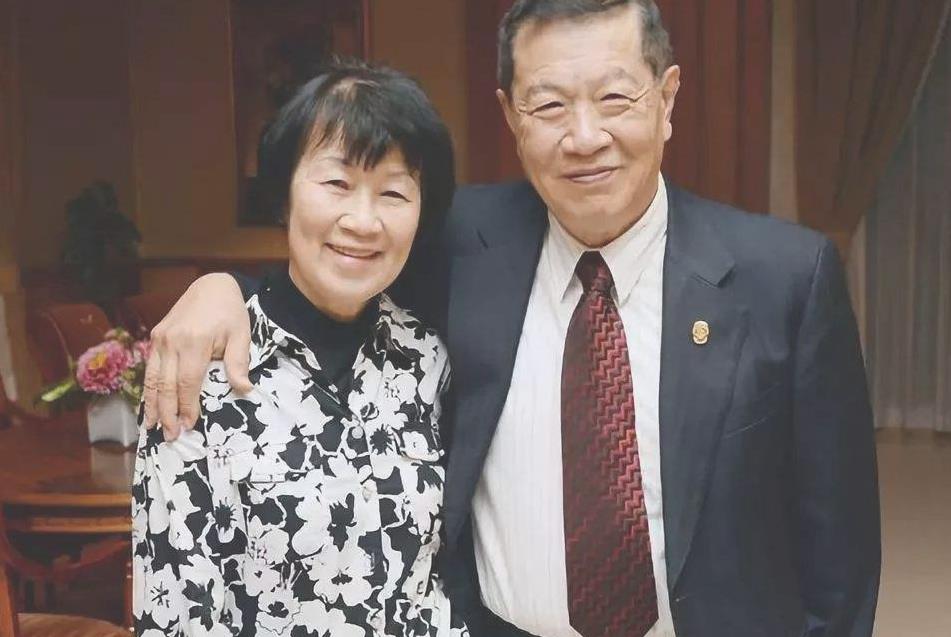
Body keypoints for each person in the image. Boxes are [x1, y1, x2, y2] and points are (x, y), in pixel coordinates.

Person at [142, 2, 881, 636]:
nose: (584, 136)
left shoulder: (786, 277)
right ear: (510, 116)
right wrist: (221, 286)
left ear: (666, 97)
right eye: (549, 105)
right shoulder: (461, 240)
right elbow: (342, 262)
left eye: (614, 98)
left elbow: (839, 558)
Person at [132, 60, 469, 636]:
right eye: (336, 183)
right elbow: (176, 611)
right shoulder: (201, 368)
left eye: (393, 192)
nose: (363, 221)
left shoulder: (429, 359)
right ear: (283, 194)